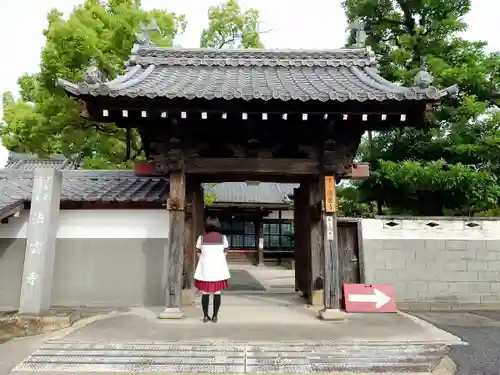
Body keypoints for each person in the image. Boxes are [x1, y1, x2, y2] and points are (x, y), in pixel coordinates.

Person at [193, 217, 231, 323]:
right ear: (218, 225)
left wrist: (204, 259)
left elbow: (198, 252)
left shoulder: (201, 238)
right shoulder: (223, 238)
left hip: (205, 268)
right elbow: (225, 252)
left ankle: (205, 316)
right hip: (218, 268)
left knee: (205, 292)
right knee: (217, 292)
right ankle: (215, 316)